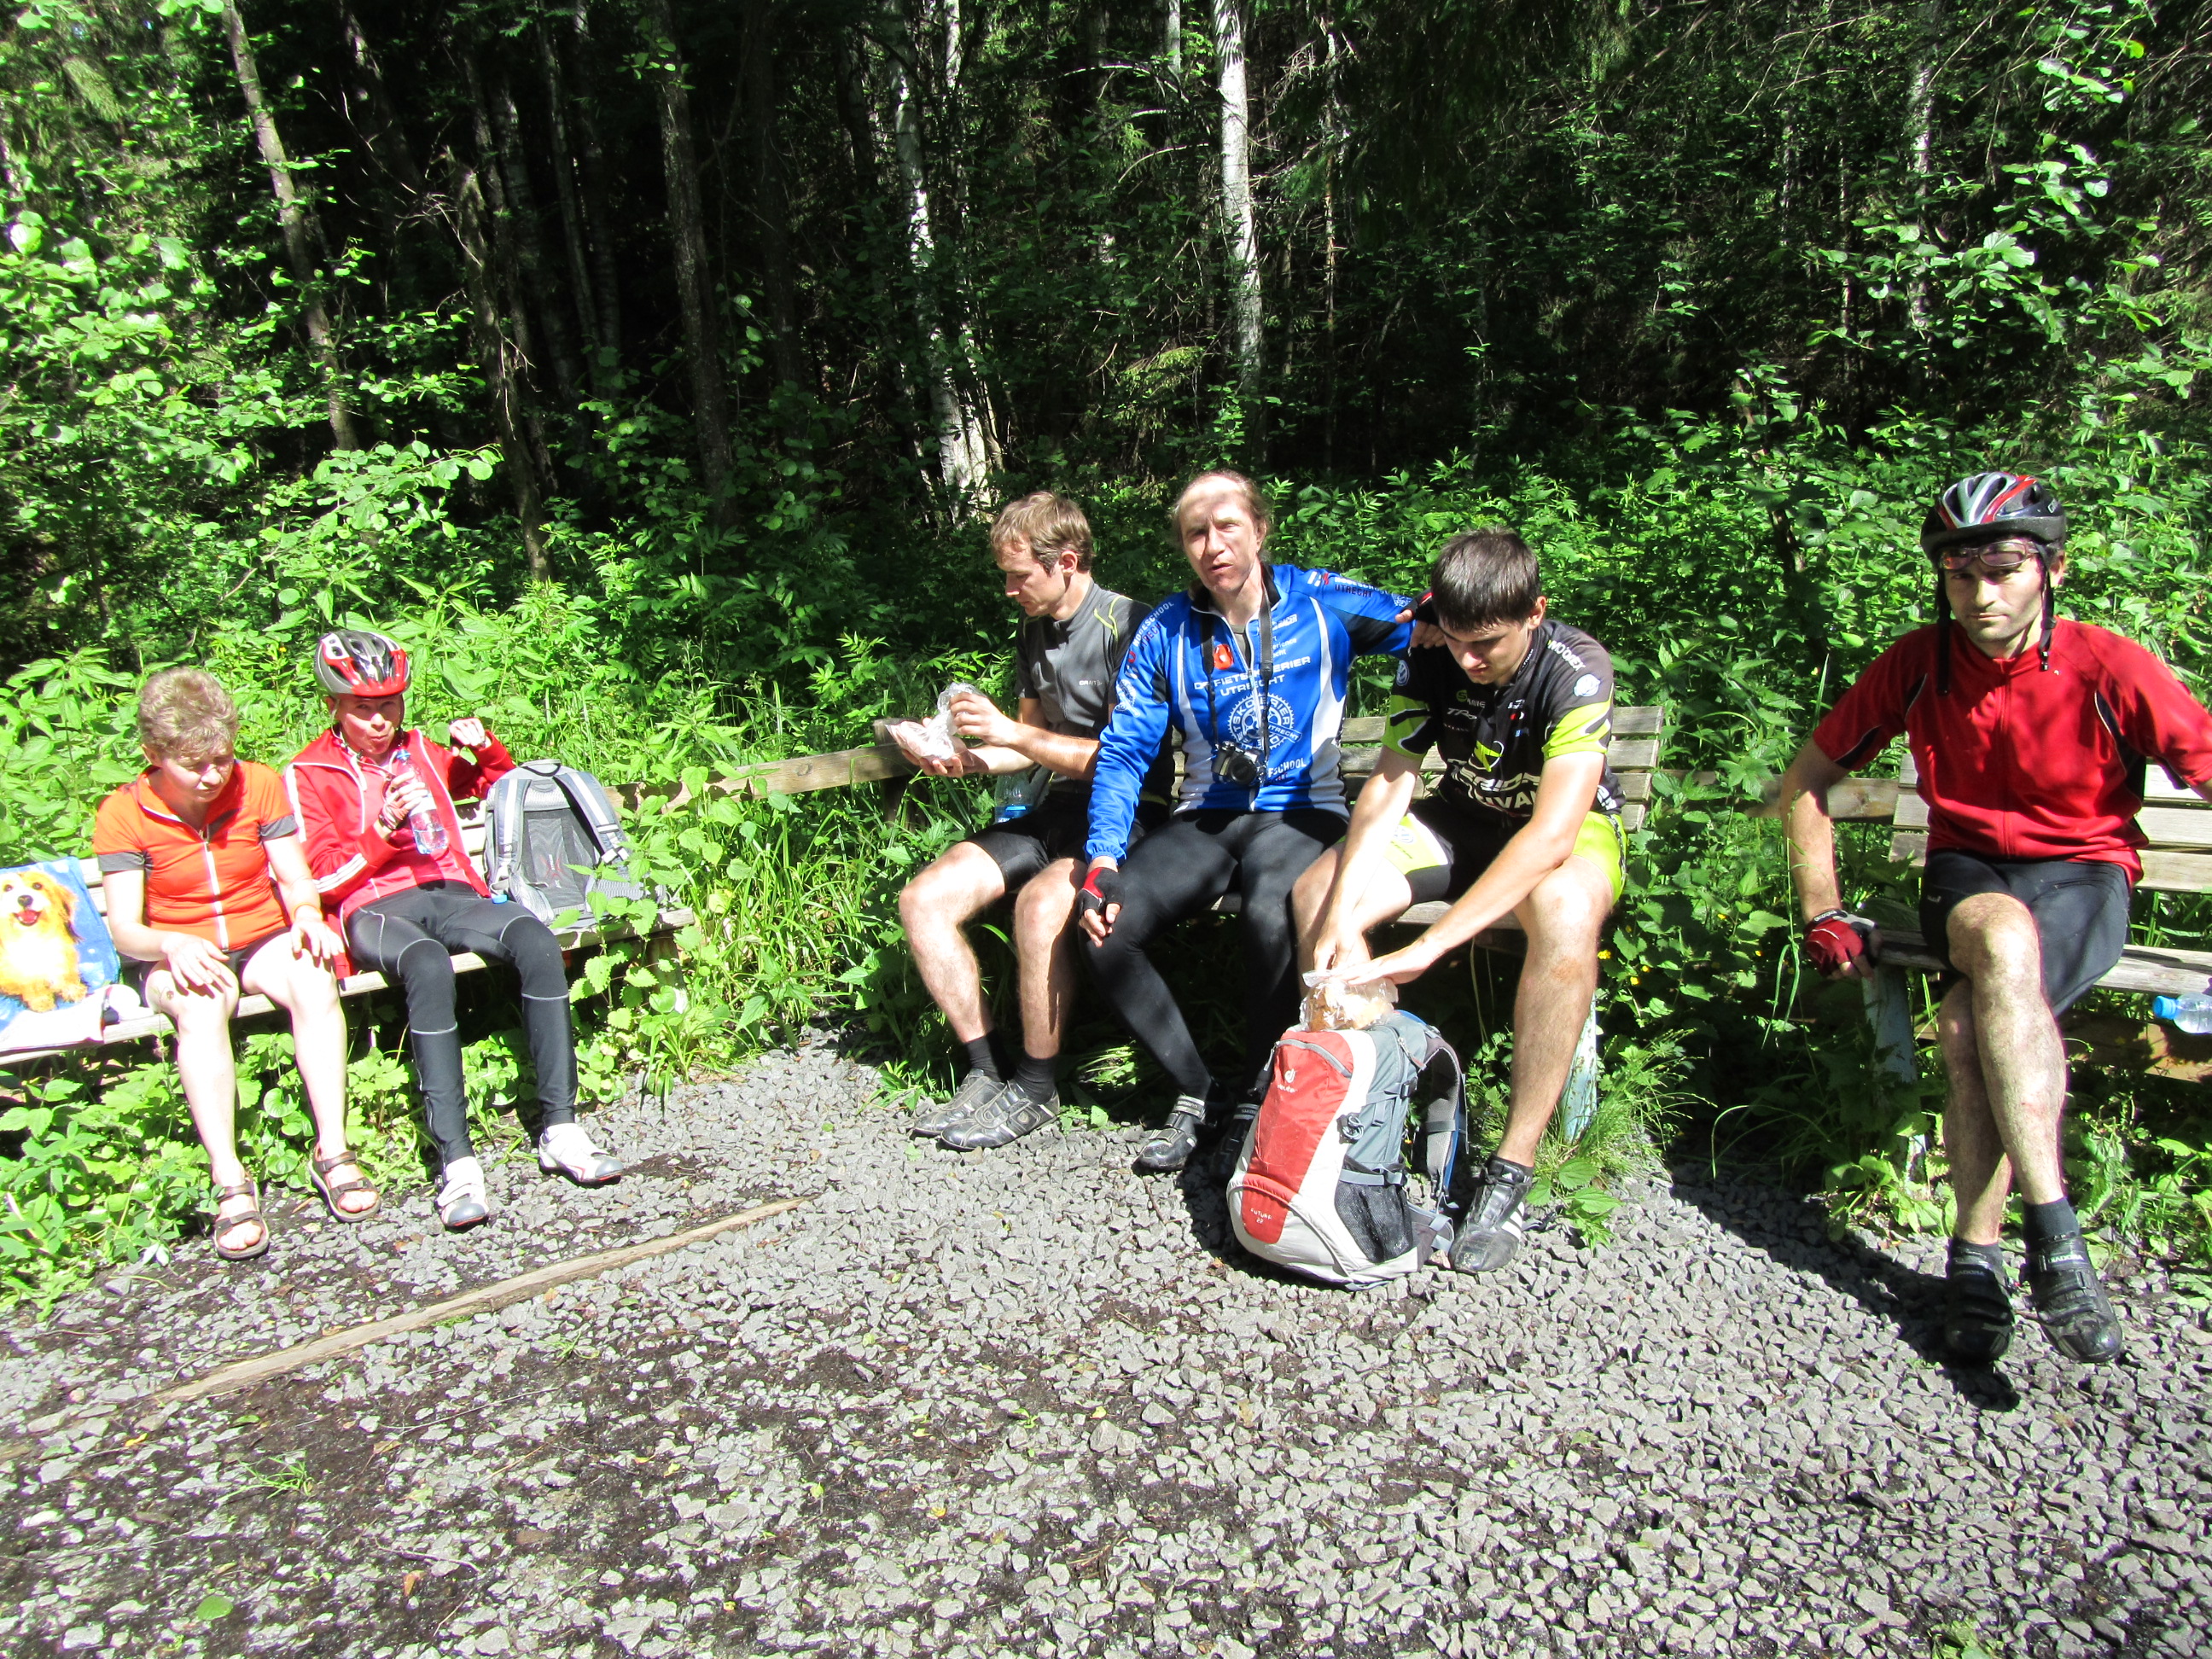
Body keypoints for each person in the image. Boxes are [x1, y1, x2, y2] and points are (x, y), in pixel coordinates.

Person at [1776, 472, 2212, 1366]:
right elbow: (1806, 782)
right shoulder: (1919, 664)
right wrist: (1824, 909)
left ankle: (1978, 1261)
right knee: (2001, 939)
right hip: (1969, 877)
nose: (1981, 596)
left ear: (2052, 568)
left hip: (2085, 877)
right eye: (1961, 574)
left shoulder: (2110, 665)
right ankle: (2056, 1236)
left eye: (2004, 570)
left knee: (1967, 1023)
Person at [1292, 528, 1625, 1272]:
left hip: (1564, 831)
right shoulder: (1431, 649)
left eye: (1488, 645)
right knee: (1316, 891)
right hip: (1462, 820)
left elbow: (1551, 835)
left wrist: (1430, 945)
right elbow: (1392, 780)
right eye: (1455, 638)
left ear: (1535, 613)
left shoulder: (1577, 669)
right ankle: (1359, 1115)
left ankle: (1512, 1168)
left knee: (1567, 913)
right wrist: (1341, 912)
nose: (1468, 661)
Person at [1079, 470, 1416, 1173]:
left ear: (1260, 529)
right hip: (1207, 815)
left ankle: (1265, 1098)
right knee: (1109, 924)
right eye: (1195, 534)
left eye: (1227, 526)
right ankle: (1199, 1092)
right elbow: (1124, 750)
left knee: (1271, 912)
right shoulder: (1165, 630)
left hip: (1304, 810)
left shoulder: (1321, 599)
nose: (1213, 545)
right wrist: (1103, 856)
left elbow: (1429, 625)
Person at [285, 630, 620, 1231]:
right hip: (375, 906)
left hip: (450, 890)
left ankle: (561, 1128)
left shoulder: (421, 749)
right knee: (427, 963)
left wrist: (485, 747)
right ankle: (457, 1162)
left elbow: (500, 785)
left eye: (390, 704)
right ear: (332, 704)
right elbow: (322, 879)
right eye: (363, 708)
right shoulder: (309, 771)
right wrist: (382, 828)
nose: (380, 720)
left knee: (535, 940)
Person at [892, 493, 1164, 1150]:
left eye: (1019, 576)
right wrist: (964, 760)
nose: (1010, 590)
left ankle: (1037, 1088)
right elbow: (1028, 743)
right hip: (1057, 805)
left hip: (1127, 812)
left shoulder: (1132, 627)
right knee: (923, 899)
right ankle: (987, 1072)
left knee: (1039, 907)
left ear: (1066, 562)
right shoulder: (1034, 628)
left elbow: (1118, 759)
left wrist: (1011, 732)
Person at [94, 669, 378, 1260]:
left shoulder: (259, 785)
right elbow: (125, 929)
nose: (212, 775)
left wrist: (306, 914)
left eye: (221, 758)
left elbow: (294, 878)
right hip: (177, 951)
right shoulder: (123, 813)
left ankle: (333, 1150)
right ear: (153, 755)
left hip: (259, 936)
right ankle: (229, 1178)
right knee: (201, 1009)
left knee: (314, 980)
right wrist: (172, 944)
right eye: (193, 765)